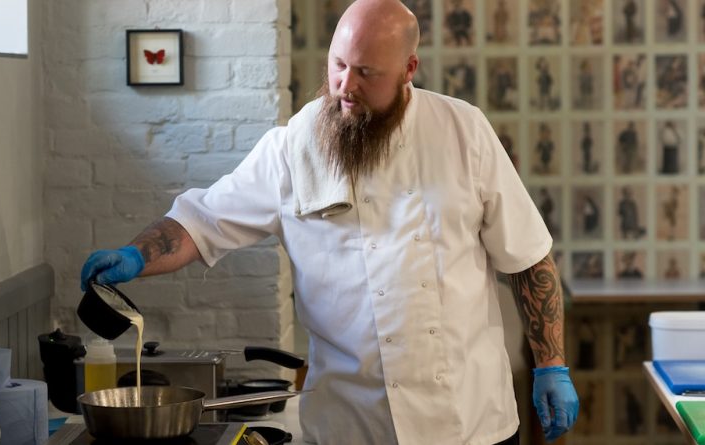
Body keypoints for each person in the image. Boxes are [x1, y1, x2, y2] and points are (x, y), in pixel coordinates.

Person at [79, 1, 578, 444]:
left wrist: (551, 365)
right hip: (350, 425)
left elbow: (528, 258)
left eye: (366, 73)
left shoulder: (463, 131)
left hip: (468, 423)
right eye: (338, 64)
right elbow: (201, 221)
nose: (345, 86)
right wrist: (137, 255)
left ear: (409, 69)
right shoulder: (293, 147)